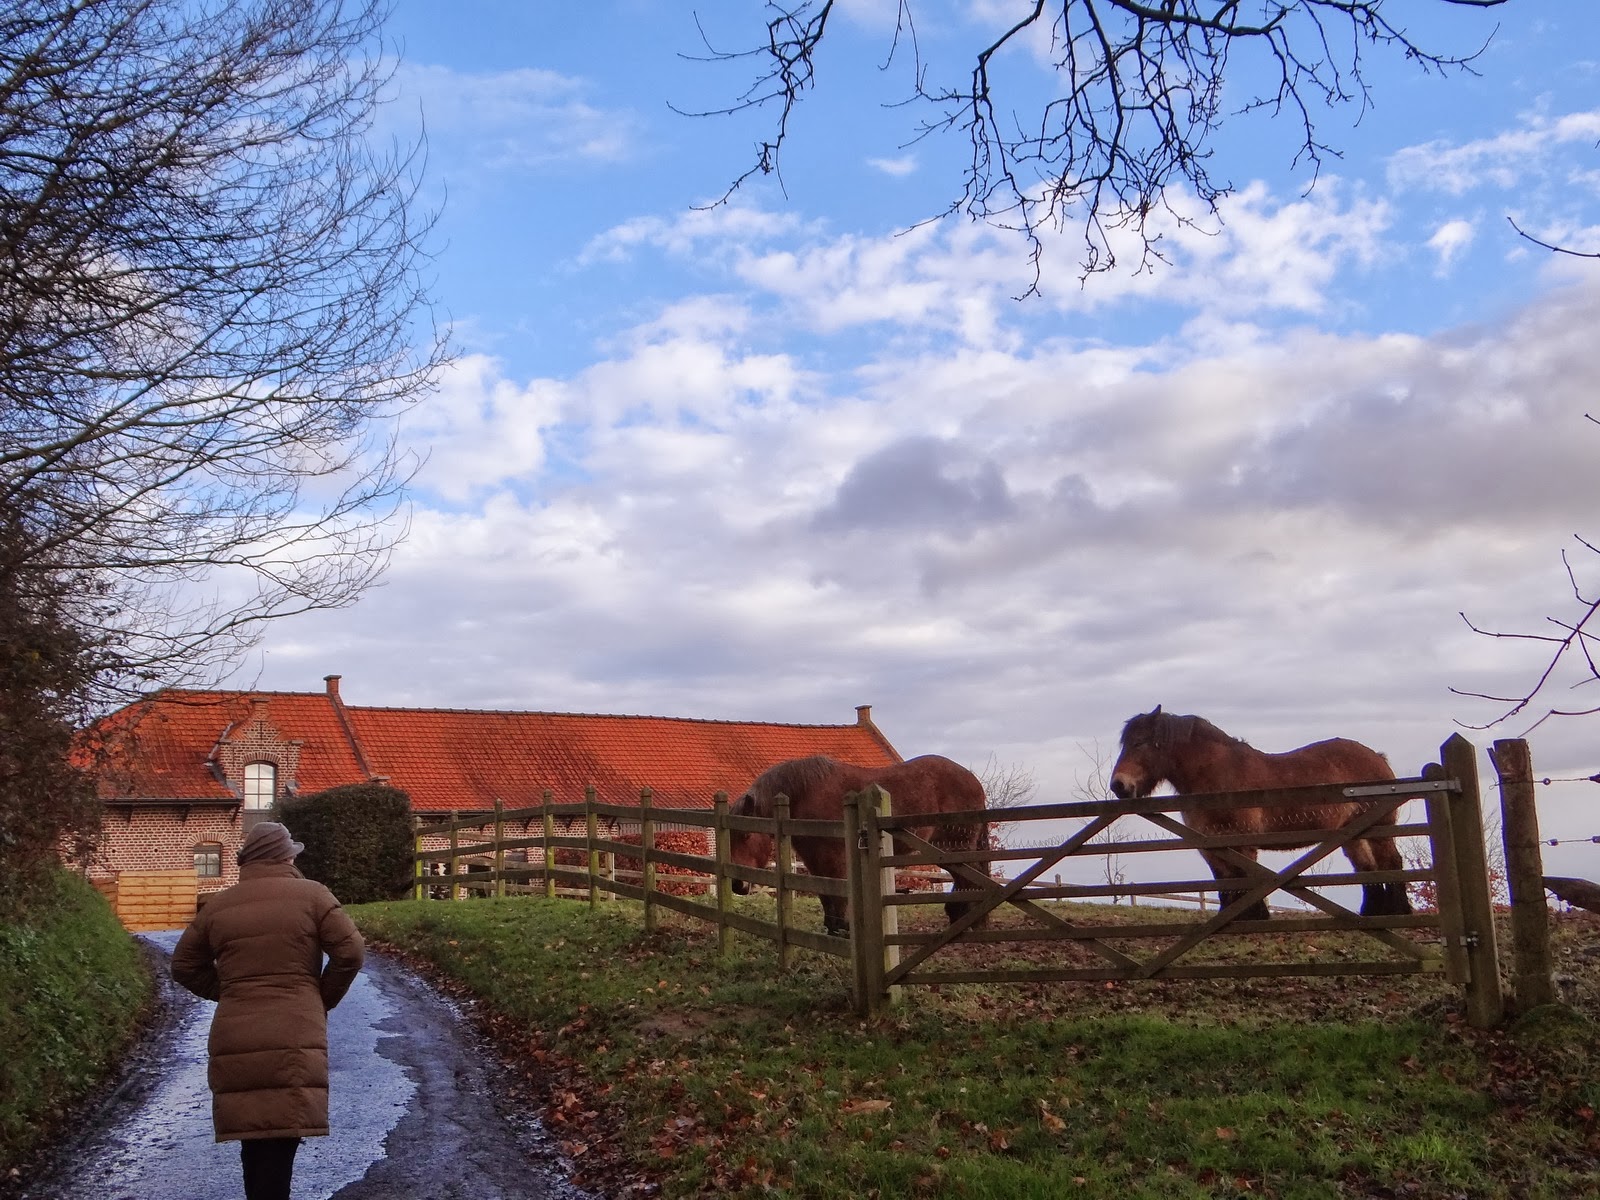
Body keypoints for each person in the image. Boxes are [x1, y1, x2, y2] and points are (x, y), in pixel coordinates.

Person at [171, 821, 365, 1200]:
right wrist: (321, 997)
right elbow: (351, 952)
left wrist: (227, 991)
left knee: (255, 1135)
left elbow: (182, 966)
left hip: (236, 1031)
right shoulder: (314, 897)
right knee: (282, 1135)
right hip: (294, 1028)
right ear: (286, 857)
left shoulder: (219, 905)